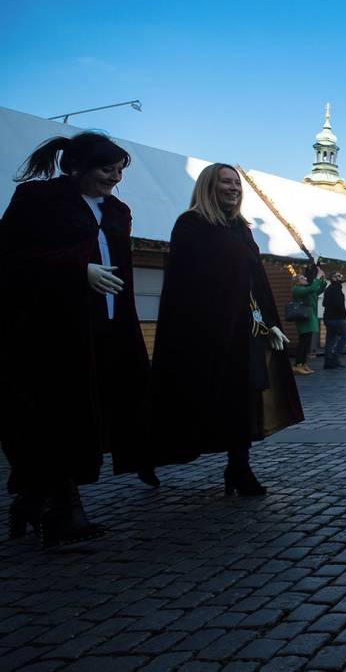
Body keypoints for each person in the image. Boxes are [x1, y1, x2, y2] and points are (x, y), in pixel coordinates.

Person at [1, 132, 155, 548]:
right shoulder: (38, 199)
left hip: (105, 327)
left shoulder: (117, 211)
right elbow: (11, 257)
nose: (115, 177)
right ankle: (64, 511)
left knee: (92, 415)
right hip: (50, 331)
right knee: (57, 417)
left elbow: (121, 269)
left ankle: (33, 501)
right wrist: (76, 269)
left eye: (119, 170)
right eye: (107, 169)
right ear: (76, 167)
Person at [150, 163, 303, 496]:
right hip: (205, 330)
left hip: (244, 330)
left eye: (237, 183)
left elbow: (254, 280)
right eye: (226, 182)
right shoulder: (191, 224)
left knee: (244, 398)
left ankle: (239, 467)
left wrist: (269, 322)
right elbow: (185, 282)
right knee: (196, 397)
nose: (234, 187)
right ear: (209, 186)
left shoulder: (241, 228)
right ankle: (151, 456)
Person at [291, 269, 327, 375]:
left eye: (304, 277)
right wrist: (317, 277)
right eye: (302, 278)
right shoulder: (297, 289)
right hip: (303, 318)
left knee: (307, 342)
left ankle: (303, 364)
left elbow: (318, 290)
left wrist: (323, 279)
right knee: (303, 342)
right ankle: (297, 365)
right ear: (297, 282)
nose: (305, 278)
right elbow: (312, 288)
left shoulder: (306, 289)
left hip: (309, 318)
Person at [322, 271, 346, 369]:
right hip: (337, 318)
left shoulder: (329, 289)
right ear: (333, 278)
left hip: (328, 318)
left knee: (330, 340)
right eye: (338, 276)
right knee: (345, 336)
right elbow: (338, 304)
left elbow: (324, 303)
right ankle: (334, 357)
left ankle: (328, 362)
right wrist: (344, 313)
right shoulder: (336, 288)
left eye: (341, 275)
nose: (341, 276)